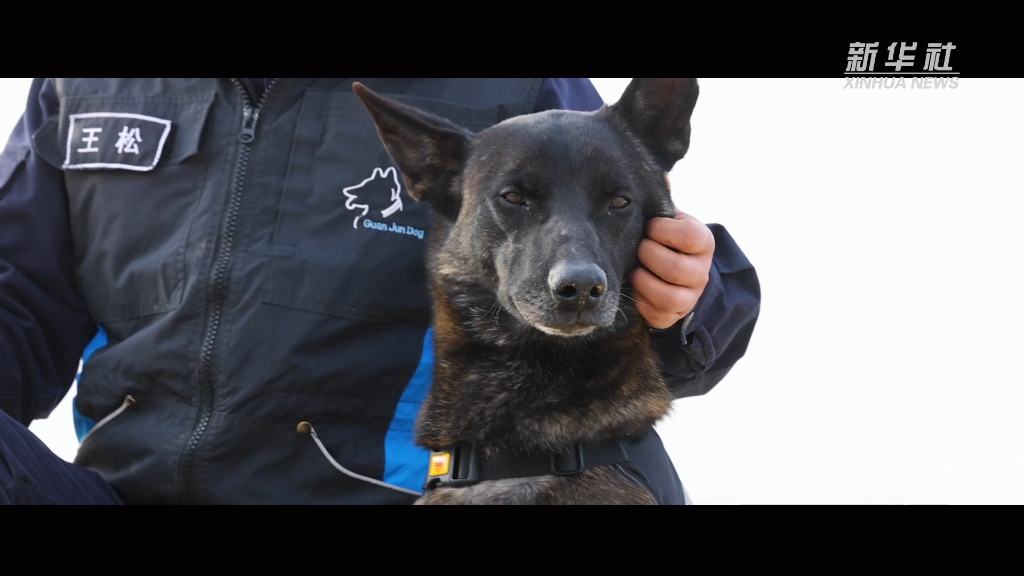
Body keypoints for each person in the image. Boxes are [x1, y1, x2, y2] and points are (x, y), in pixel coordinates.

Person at [0, 78, 760, 505]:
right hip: (115, 498)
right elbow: (16, 307)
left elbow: (603, 242)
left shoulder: (508, 85)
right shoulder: (81, 84)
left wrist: (687, 303)